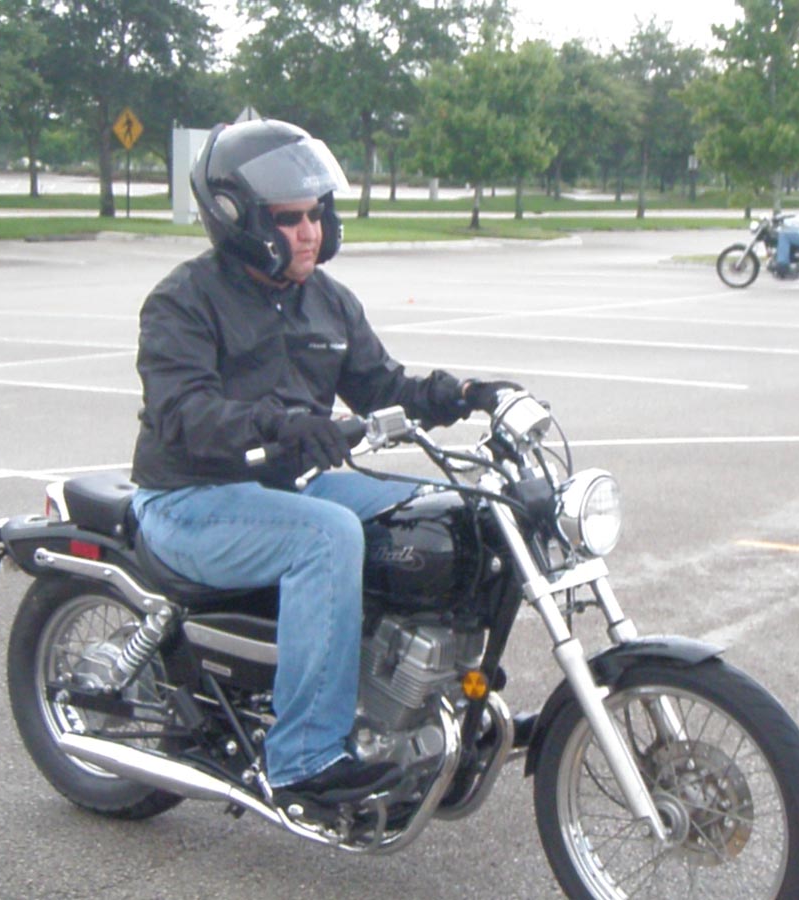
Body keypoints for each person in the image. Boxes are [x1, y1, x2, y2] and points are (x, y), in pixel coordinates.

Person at [128, 119, 517, 817]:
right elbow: (182, 411)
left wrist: (458, 395)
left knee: (452, 513)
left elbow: (381, 385)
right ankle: (303, 758)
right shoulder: (184, 300)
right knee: (326, 535)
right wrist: (277, 424)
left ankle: (441, 696)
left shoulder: (327, 300)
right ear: (238, 219)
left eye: (315, 215)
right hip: (189, 500)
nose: (309, 232)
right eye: (289, 218)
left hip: (283, 490)